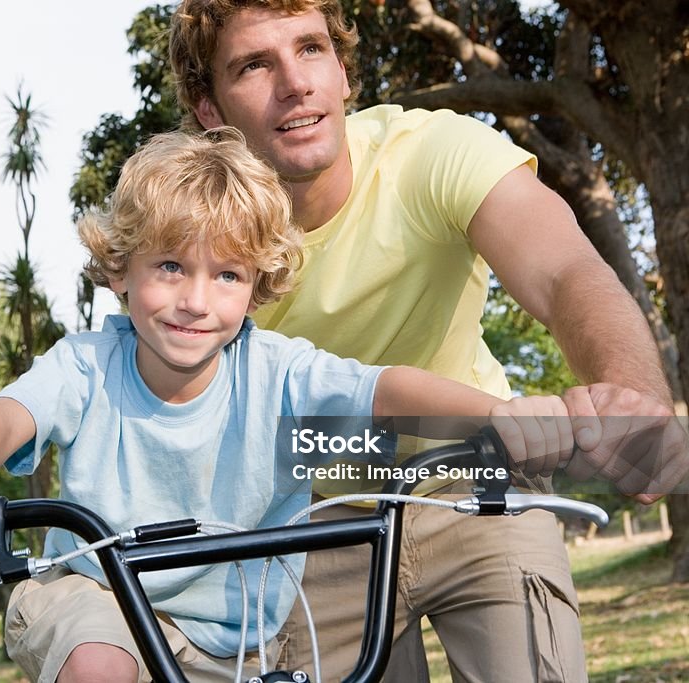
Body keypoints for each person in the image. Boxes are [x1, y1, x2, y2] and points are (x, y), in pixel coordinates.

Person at [0, 127, 582, 683]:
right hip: (99, 600)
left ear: (256, 287)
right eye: (170, 266)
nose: (196, 299)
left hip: (241, 635)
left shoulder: (276, 371)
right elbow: (5, 415)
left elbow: (384, 392)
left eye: (226, 274)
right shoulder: (85, 366)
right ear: (120, 270)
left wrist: (496, 416)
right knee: (100, 665)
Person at [168, 1, 686, 681]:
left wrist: (633, 397)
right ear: (210, 110)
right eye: (255, 65)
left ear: (345, 72)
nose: (295, 83)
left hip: (479, 475)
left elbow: (566, 271)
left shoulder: (430, 152)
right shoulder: (194, 240)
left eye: (311, 50)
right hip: (313, 524)